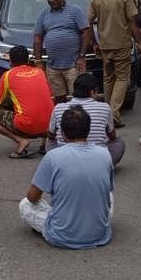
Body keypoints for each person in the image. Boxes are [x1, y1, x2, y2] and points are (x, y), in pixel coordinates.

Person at [19, 105, 114, 249]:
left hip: (61, 235)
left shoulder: (52, 157)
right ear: (88, 130)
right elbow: (107, 191)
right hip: (99, 234)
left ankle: (63, 218)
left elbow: (32, 197)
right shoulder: (105, 154)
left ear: (63, 133)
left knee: (25, 204)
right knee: (109, 196)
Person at [89, 0, 140, 126]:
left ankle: (106, 113)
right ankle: (113, 115)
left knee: (108, 77)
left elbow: (89, 22)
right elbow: (132, 22)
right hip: (121, 43)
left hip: (104, 44)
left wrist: (94, 42)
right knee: (122, 78)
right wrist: (138, 42)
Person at [33, 0, 92, 103]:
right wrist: (38, 61)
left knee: (78, 98)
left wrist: (82, 56)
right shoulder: (44, 15)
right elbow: (38, 38)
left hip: (74, 65)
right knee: (58, 99)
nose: (52, 0)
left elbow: (86, 32)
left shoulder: (75, 11)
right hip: (53, 67)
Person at [0, 46, 55, 158]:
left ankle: (21, 141)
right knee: (41, 105)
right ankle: (45, 143)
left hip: (26, 126)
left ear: (10, 61)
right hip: (49, 125)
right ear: (28, 60)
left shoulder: (8, 75)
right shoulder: (40, 72)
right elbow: (48, 96)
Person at [48, 73, 125, 165]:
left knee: (49, 141)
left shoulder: (58, 108)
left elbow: (51, 135)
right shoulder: (104, 107)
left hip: (64, 159)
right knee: (119, 143)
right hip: (97, 160)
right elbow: (112, 136)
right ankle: (102, 164)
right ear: (93, 91)